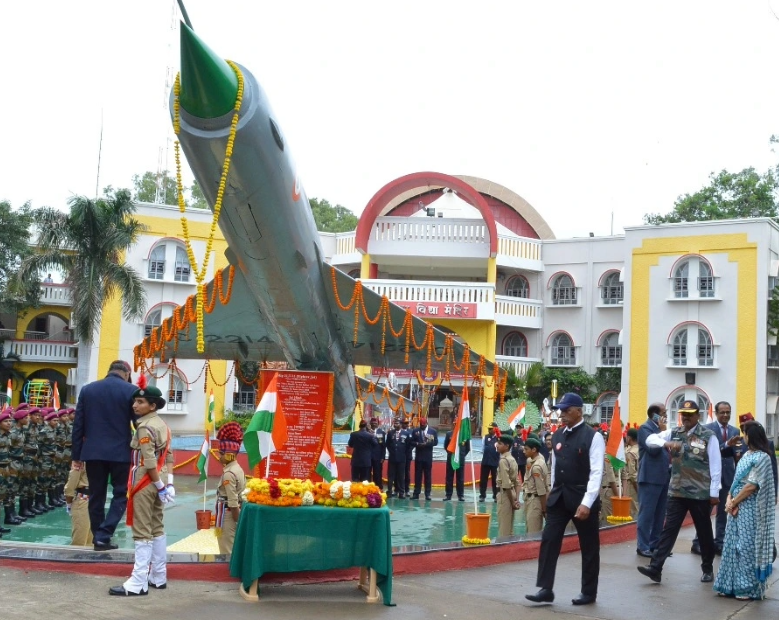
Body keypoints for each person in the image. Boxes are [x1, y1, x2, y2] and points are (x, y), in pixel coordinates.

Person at [526, 393, 605, 606]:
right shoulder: (558, 435)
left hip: (582, 497)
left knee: (589, 546)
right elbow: (554, 465)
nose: (562, 414)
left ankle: (588, 592)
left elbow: (597, 472)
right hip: (560, 497)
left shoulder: (593, 437)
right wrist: (552, 489)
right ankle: (545, 588)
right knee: (549, 540)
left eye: (566, 410)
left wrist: (587, 502)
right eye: (560, 410)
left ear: (579, 411)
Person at [636, 400, 721, 584]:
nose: (686, 417)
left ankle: (707, 569)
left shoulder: (708, 436)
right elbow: (651, 439)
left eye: (690, 414)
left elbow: (715, 466)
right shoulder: (674, 432)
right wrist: (666, 443)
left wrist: (715, 492)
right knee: (668, 530)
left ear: (698, 415)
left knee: (704, 531)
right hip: (677, 492)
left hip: (699, 493)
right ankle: (655, 567)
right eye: (683, 414)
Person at [109, 386, 174, 596]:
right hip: (160, 478)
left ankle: (138, 582)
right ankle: (158, 575)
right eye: (135, 401)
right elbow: (169, 455)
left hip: (147, 481)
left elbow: (148, 460)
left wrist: (158, 485)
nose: (135, 405)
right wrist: (168, 483)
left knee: (142, 530)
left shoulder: (145, 427)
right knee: (157, 526)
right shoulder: (162, 424)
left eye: (140, 402)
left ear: (152, 405)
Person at [72, 360, 138, 551]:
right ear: (126, 373)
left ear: (110, 371)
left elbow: (78, 425)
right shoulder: (130, 390)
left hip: (93, 452)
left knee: (96, 496)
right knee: (120, 494)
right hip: (120, 452)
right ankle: (104, 534)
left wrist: (77, 455)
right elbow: (138, 423)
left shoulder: (88, 390)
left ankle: (98, 539)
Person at [713, 421, 776, 600]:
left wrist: (732, 502)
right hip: (736, 506)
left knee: (746, 547)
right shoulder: (747, 454)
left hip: (750, 508)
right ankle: (728, 585)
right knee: (731, 546)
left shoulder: (762, 457)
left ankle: (747, 588)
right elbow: (736, 481)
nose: (743, 437)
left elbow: (751, 486)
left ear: (751, 436)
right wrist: (729, 499)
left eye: (745, 434)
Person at [691, 401, 741, 555]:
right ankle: (697, 542)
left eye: (728, 412)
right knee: (705, 513)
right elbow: (703, 452)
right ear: (716, 413)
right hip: (710, 478)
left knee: (723, 512)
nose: (725, 415)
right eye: (722, 412)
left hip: (727, 477)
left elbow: (736, 456)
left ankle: (719, 543)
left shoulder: (735, 430)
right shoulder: (706, 430)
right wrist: (726, 444)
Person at [636, 402, 671, 557]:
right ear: (654, 415)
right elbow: (653, 450)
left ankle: (655, 545)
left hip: (664, 476)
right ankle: (642, 546)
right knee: (647, 513)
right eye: (663, 413)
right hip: (650, 477)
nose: (666, 415)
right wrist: (662, 433)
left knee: (660, 513)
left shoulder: (660, 430)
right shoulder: (646, 429)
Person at [215, 422, 246, 555]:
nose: (218, 456)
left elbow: (233, 503)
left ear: (228, 455)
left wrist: (238, 522)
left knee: (227, 548)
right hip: (234, 512)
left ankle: (229, 573)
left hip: (229, 515)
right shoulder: (237, 468)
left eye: (221, 453)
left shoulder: (229, 473)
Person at [738, 413, 778, 499]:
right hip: (741, 490)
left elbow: (773, 470)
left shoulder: (767, 443)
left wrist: (774, 493)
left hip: (761, 489)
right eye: (743, 427)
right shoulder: (738, 443)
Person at [522, 436, 548, 534]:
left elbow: (541, 491)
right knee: (530, 528)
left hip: (535, 501)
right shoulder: (533, 461)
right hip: (531, 499)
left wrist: (544, 509)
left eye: (526, 449)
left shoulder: (536, 466)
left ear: (534, 450)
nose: (524, 451)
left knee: (533, 532)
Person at [496, 435, 520, 537]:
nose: (497, 445)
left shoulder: (503, 461)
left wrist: (512, 502)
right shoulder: (512, 459)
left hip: (505, 495)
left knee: (504, 529)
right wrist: (516, 499)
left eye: (500, 443)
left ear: (506, 446)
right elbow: (517, 482)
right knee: (509, 527)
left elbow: (506, 484)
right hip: (512, 494)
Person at [64, 461, 92, 546]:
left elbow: (71, 485)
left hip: (87, 500)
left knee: (87, 542)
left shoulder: (82, 459)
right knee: (80, 542)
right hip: (86, 499)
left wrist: (69, 504)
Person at [411, 416, 438, 500]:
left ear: (426, 423)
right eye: (421, 425)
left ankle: (427, 493)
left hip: (428, 457)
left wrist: (426, 444)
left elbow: (435, 442)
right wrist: (418, 444)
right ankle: (416, 493)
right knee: (417, 476)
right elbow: (411, 442)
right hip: (419, 457)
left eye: (423, 425)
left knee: (428, 476)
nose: (422, 426)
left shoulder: (432, 431)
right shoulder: (415, 431)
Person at [443, 425, 469, 501]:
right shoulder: (449, 434)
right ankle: (448, 495)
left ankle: (460, 495)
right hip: (451, 459)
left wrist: (461, 455)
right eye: (454, 423)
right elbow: (446, 446)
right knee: (449, 478)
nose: (455, 425)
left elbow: (467, 448)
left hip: (460, 460)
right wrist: (451, 454)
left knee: (460, 478)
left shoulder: (464, 435)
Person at [386, 418, 410, 498]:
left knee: (401, 476)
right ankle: (389, 491)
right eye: (395, 423)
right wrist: (392, 452)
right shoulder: (390, 433)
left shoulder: (405, 434)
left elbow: (408, 446)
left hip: (402, 458)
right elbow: (388, 444)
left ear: (401, 424)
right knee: (391, 475)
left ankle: (401, 492)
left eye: (397, 423)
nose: (396, 425)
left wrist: (402, 453)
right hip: (392, 458)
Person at [479, 422, 500, 502]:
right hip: (486, 462)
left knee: (495, 480)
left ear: (495, 429)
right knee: (483, 479)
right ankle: (482, 495)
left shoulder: (499, 438)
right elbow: (483, 449)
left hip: (495, 462)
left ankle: (495, 496)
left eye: (491, 428)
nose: (489, 430)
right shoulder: (485, 437)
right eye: (489, 428)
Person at [622, 428, 639, 519]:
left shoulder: (630, 453)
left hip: (632, 485)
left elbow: (632, 474)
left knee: (632, 511)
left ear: (629, 438)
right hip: (640, 482)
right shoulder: (640, 450)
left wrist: (637, 489)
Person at [369, 417, 386, 491]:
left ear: (378, 424)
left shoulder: (381, 432)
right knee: (367, 473)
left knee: (378, 473)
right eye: (372, 423)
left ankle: (378, 488)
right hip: (368, 457)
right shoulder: (367, 432)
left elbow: (383, 446)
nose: (374, 424)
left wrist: (383, 457)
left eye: (375, 423)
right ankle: (368, 488)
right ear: (370, 424)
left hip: (378, 457)